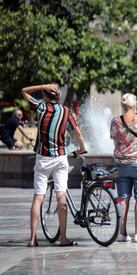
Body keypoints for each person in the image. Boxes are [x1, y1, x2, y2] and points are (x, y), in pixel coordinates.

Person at [21, 84, 86, 247]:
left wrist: (43, 85)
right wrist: (82, 148)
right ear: (57, 96)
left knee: (38, 197)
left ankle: (32, 239)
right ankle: (63, 238)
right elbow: (77, 132)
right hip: (60, 158)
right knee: (61, 196)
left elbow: (24, 91)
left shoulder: (41, 107)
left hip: (43, 158)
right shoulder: (65, 111)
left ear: (45, 95)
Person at [110, 93, 137, 243]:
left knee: (123, 198)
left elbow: (112, 137)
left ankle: (122, 233)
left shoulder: (115, 121)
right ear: (134, 104)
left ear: (123, 105)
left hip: (122, 164)